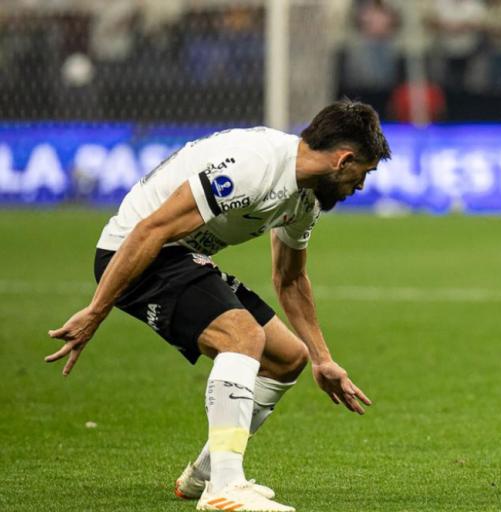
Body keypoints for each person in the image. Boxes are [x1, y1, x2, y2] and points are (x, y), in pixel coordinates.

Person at [45, 99, 392, 512]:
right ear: (344, 160)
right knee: (242, 337)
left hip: (180, 256)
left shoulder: (305, 200)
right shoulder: (254, 165)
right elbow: (151, 229)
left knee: (286, 358)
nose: (361, 186)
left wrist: (322, 358)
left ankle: (205, 474)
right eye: (364, 172)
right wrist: (96, 310)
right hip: (135, 253)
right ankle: (226, 487)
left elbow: (290, 279)